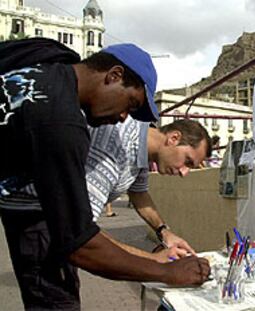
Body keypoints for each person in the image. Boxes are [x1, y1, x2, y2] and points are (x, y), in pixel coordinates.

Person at [0, 38, 210, 310]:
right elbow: (81, 241)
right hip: (38, 219)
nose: (124, 117)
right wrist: (162, 269)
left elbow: (138, 193)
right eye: (130, 104)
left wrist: (163, 232)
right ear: (114, 75)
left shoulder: (53, 62)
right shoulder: (69, 128)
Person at [88, 118, 211, 259]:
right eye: (187, 161)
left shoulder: (143, 148)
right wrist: (152, 260)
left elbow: (138, 193)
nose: (184, 173)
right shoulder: (115, 145)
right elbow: (81, 232)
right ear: (173, 138)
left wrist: (164, 232)